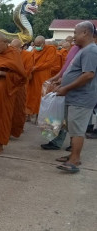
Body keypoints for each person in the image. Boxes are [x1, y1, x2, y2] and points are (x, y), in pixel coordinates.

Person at [55, 21, 97, 173]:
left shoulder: (91, 50)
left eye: (75, 33)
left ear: (85, 33)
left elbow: (88, 75)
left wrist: (66, 87)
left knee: (77, 129)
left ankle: (74, 160)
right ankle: (71, 154)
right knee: (72, 128)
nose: (73, 37)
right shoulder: (83, 49)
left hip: (82, 97)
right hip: (73, 96)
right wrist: (62, 84)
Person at [0, 33, 27, 155]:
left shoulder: (14, 55)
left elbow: (21, 77)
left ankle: (1, 144)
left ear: (5, 43)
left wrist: (2, 74)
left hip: (9, 92)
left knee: (4, 117)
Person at [26, 36, 57, 122]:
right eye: (36, 45)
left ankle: (38, 116)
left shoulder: (51, 49)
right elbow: (30, 60)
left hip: (42, 76)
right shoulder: (34, 51)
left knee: (41, 96)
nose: (37, 46)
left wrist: (36, 67)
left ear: (43, 43)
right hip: (33, 77)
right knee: (30, 95)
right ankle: (28, 114)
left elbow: (49, 63)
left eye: (39, 44)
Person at [10, 39, 34, 138]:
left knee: (18, 109)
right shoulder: (8, 54)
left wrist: (13, 75)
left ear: (22, 47)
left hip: (21, 85)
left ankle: (16, 129)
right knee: (7, 110)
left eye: (15, 48)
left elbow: (27, 72)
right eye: (12, 48)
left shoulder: (28, 56)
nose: (13, 50)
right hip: (8, 85)